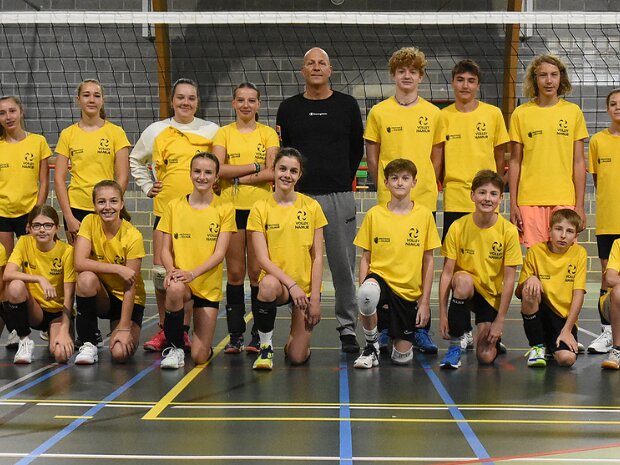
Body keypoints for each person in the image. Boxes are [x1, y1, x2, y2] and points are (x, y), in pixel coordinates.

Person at [276, 47, 363, 354]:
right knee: (298, 264)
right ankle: (298, 321)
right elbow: (285, 152)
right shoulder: (288, 108)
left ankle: (347, 327)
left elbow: (356, 149)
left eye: (321, 63)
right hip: (299, 198)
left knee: (343, 264)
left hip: (339, 195)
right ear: (302, 71)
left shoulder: (347, 105)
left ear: (330, 70)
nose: (315, 67)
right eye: (310, 63)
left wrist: (340, 179)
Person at [364, 46, 445, 353]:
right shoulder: (379, 112)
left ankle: (420, 327)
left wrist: (424, 185)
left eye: (413, 71)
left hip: (423, 200)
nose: (407, 76)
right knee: (385, 264)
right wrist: (383, 186)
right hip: (389, 200)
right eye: (402, 71)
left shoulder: (434, 114)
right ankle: (385, 328)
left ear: (421, 77)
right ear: (394, 75)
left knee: (421, 263)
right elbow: (373, 155)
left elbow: (436, 156)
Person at [130, 78, 219, 353]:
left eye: (191, 98)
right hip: (166, 212)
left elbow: (221, 165)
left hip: (201, 216)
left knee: (189, 272)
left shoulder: (212, 131)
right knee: (162, 274)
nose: (185, 102)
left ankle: (184, 330)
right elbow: (135, 159)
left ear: (197, 102)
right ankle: (165, 330)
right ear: (172, 101)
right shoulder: (156, 130)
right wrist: (147, 186)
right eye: (180, 97)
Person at [441, 60, 510, 353]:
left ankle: (490, 323)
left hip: (486, 202)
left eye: (471, 80)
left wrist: (491, 192)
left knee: (490, 268)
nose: (465, 85)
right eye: (460, 79)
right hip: (456, 200)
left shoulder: (493, 114)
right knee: (459, 271)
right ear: (453, 83)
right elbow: (437, 159)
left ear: (478, 85)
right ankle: (462, 330)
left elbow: (500, 158)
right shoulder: (442, 117)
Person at [352, 159, 440, 369]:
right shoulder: (374, 214)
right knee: (367, 293)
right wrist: (364, 296)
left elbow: (428, 261)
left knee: (402, 359)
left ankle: (393, 334)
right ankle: (371, 346)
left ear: (414, 182)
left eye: (405, 178)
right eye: (394, 178)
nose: (400, 183)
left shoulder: (424, 215)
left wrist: (425, 302)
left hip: (407, 293)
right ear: (386, 183)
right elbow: (366, 258)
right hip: (380, 282)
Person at [247, 148, 326, 370]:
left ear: (299, 175)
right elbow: (262, 259)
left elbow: (317, 257)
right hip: (280, 285)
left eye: (293, 171)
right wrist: (291, 285)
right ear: (273, 171)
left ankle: (294, 343)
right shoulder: (260, 207)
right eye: (282, 169)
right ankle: (265, 348)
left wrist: (315, 298)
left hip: (305, 289)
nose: (287, 175)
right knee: (267, 285)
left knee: (297, 357)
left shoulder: (312, 207)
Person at [213, 82, 278, 354]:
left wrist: (237, 176)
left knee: (256, 273)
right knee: (236, 273)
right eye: (241, 100)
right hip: (231, 210)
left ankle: (257, 335)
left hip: (261, 210)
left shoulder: (268, 134)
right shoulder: (223, 133)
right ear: (233, 103)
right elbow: (218, 169)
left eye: (251, 100)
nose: (246, 105)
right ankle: (236, 335)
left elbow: (272, 171)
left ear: (259, 104)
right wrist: (254, 167)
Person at [157, 152, 236, 369]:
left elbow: (219, 254)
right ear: (190, 173)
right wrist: (171, 270)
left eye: (208, 172)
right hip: (182, 281)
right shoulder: (174, 206)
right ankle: (175, 347)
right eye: (197, 171)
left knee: (200, 356)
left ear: (216, 177)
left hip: (206, 286)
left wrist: (192, 273)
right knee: (174, 288)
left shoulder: (225, 208)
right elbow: (164, 250)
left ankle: (200, 341)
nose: (202, 177)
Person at [439, 170, 522, 369]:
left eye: (493, 194)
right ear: (472, 195)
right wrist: (442, 314)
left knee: (485, 357)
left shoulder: (508, 231)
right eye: (482, 192)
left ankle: (492, 338)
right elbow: (447, 273)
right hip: (465, 288)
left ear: (501, 198)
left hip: (490, 295)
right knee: (463, 280)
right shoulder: (458, 227)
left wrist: (500, 321)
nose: (487, 198)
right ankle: (455, 345)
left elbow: (510, 280)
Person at [508, 54, 588, 247]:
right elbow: (515, 161)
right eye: (543, 75)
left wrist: (580, 205)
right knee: (536, 258)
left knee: (563, 258)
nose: (549, 80)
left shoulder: (573, 112)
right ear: (534, 79)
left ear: (561, 78)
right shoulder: (521, 113)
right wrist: (513, 204)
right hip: (529, 199)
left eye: (554, 74)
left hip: (564, 198)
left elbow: (578, 162)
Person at [73, 180, 146, 364]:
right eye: (101, 202)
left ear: (121, 204)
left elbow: (130, 286)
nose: (107, 207)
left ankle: (118, 326)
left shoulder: (133, 236)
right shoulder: (89, 222)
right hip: (103, 296)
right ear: (94, 205)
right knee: (85, 279)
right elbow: (79, 262)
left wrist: (124, 327)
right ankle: (88, 342)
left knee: (120, 353)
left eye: (113, 201)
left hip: (127, 299)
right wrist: (117, 268)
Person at [0, 95, 52, 348]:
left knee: (35, 268)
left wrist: (36, 216)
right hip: (2, 214)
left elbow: (44, 181)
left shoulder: (38, 142)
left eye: (12, 111)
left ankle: (47, 321)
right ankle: (14, 327)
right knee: (6, 274)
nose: (8, 116)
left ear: (21, 112)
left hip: (29, 215)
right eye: (2, 113)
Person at [54, 79, 130, 244]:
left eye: (96, 95)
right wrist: (68, 216)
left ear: (102, 101)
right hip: (77, 208)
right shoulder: (68, 134)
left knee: (108, 257)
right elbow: (59, 179)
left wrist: (111, 204)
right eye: (86, 95)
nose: (91, 100)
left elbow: (123, 177)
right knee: (80, 259)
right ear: (78, 100)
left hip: (106, 208)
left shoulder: (116, 133)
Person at [2, 205, 75, 364]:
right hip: (35, 311)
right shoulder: (24, 242)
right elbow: (7, 273)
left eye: (47, 225)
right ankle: (24, 340)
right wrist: (40, 279)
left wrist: (64, 328)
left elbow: (69, 296)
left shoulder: (67, 251)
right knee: (15, 286)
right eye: (37, 225)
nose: (42, 230)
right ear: (29, 228)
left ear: (57, 228)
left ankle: (54, 332)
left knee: (61, 355)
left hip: (57, 313)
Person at [515, 209, 585, 368]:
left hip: (562, 318)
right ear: (549, 230)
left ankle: (551, 344)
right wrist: (530, 279)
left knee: (567, 359)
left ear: (575, 236)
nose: (563, 235)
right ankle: (537, 347)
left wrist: (567, 330)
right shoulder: (535, 251)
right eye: (558, 229)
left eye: (569, 231)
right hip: (542, 312)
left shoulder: (579, 253)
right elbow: (519, 293)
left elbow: (578, 294)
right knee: (529, 289)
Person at [586, 89, 620, 354]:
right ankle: (607, 331)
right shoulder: (597, 141)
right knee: (608, 277)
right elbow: (598, 181)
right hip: (608, 221)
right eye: (613, 104)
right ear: (607, 109)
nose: (618, 107)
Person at [597, 238, 620, 369]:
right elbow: (610, 278)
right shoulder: (618, 243)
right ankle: (617, 350)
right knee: (618, 291)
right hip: (613, 304)